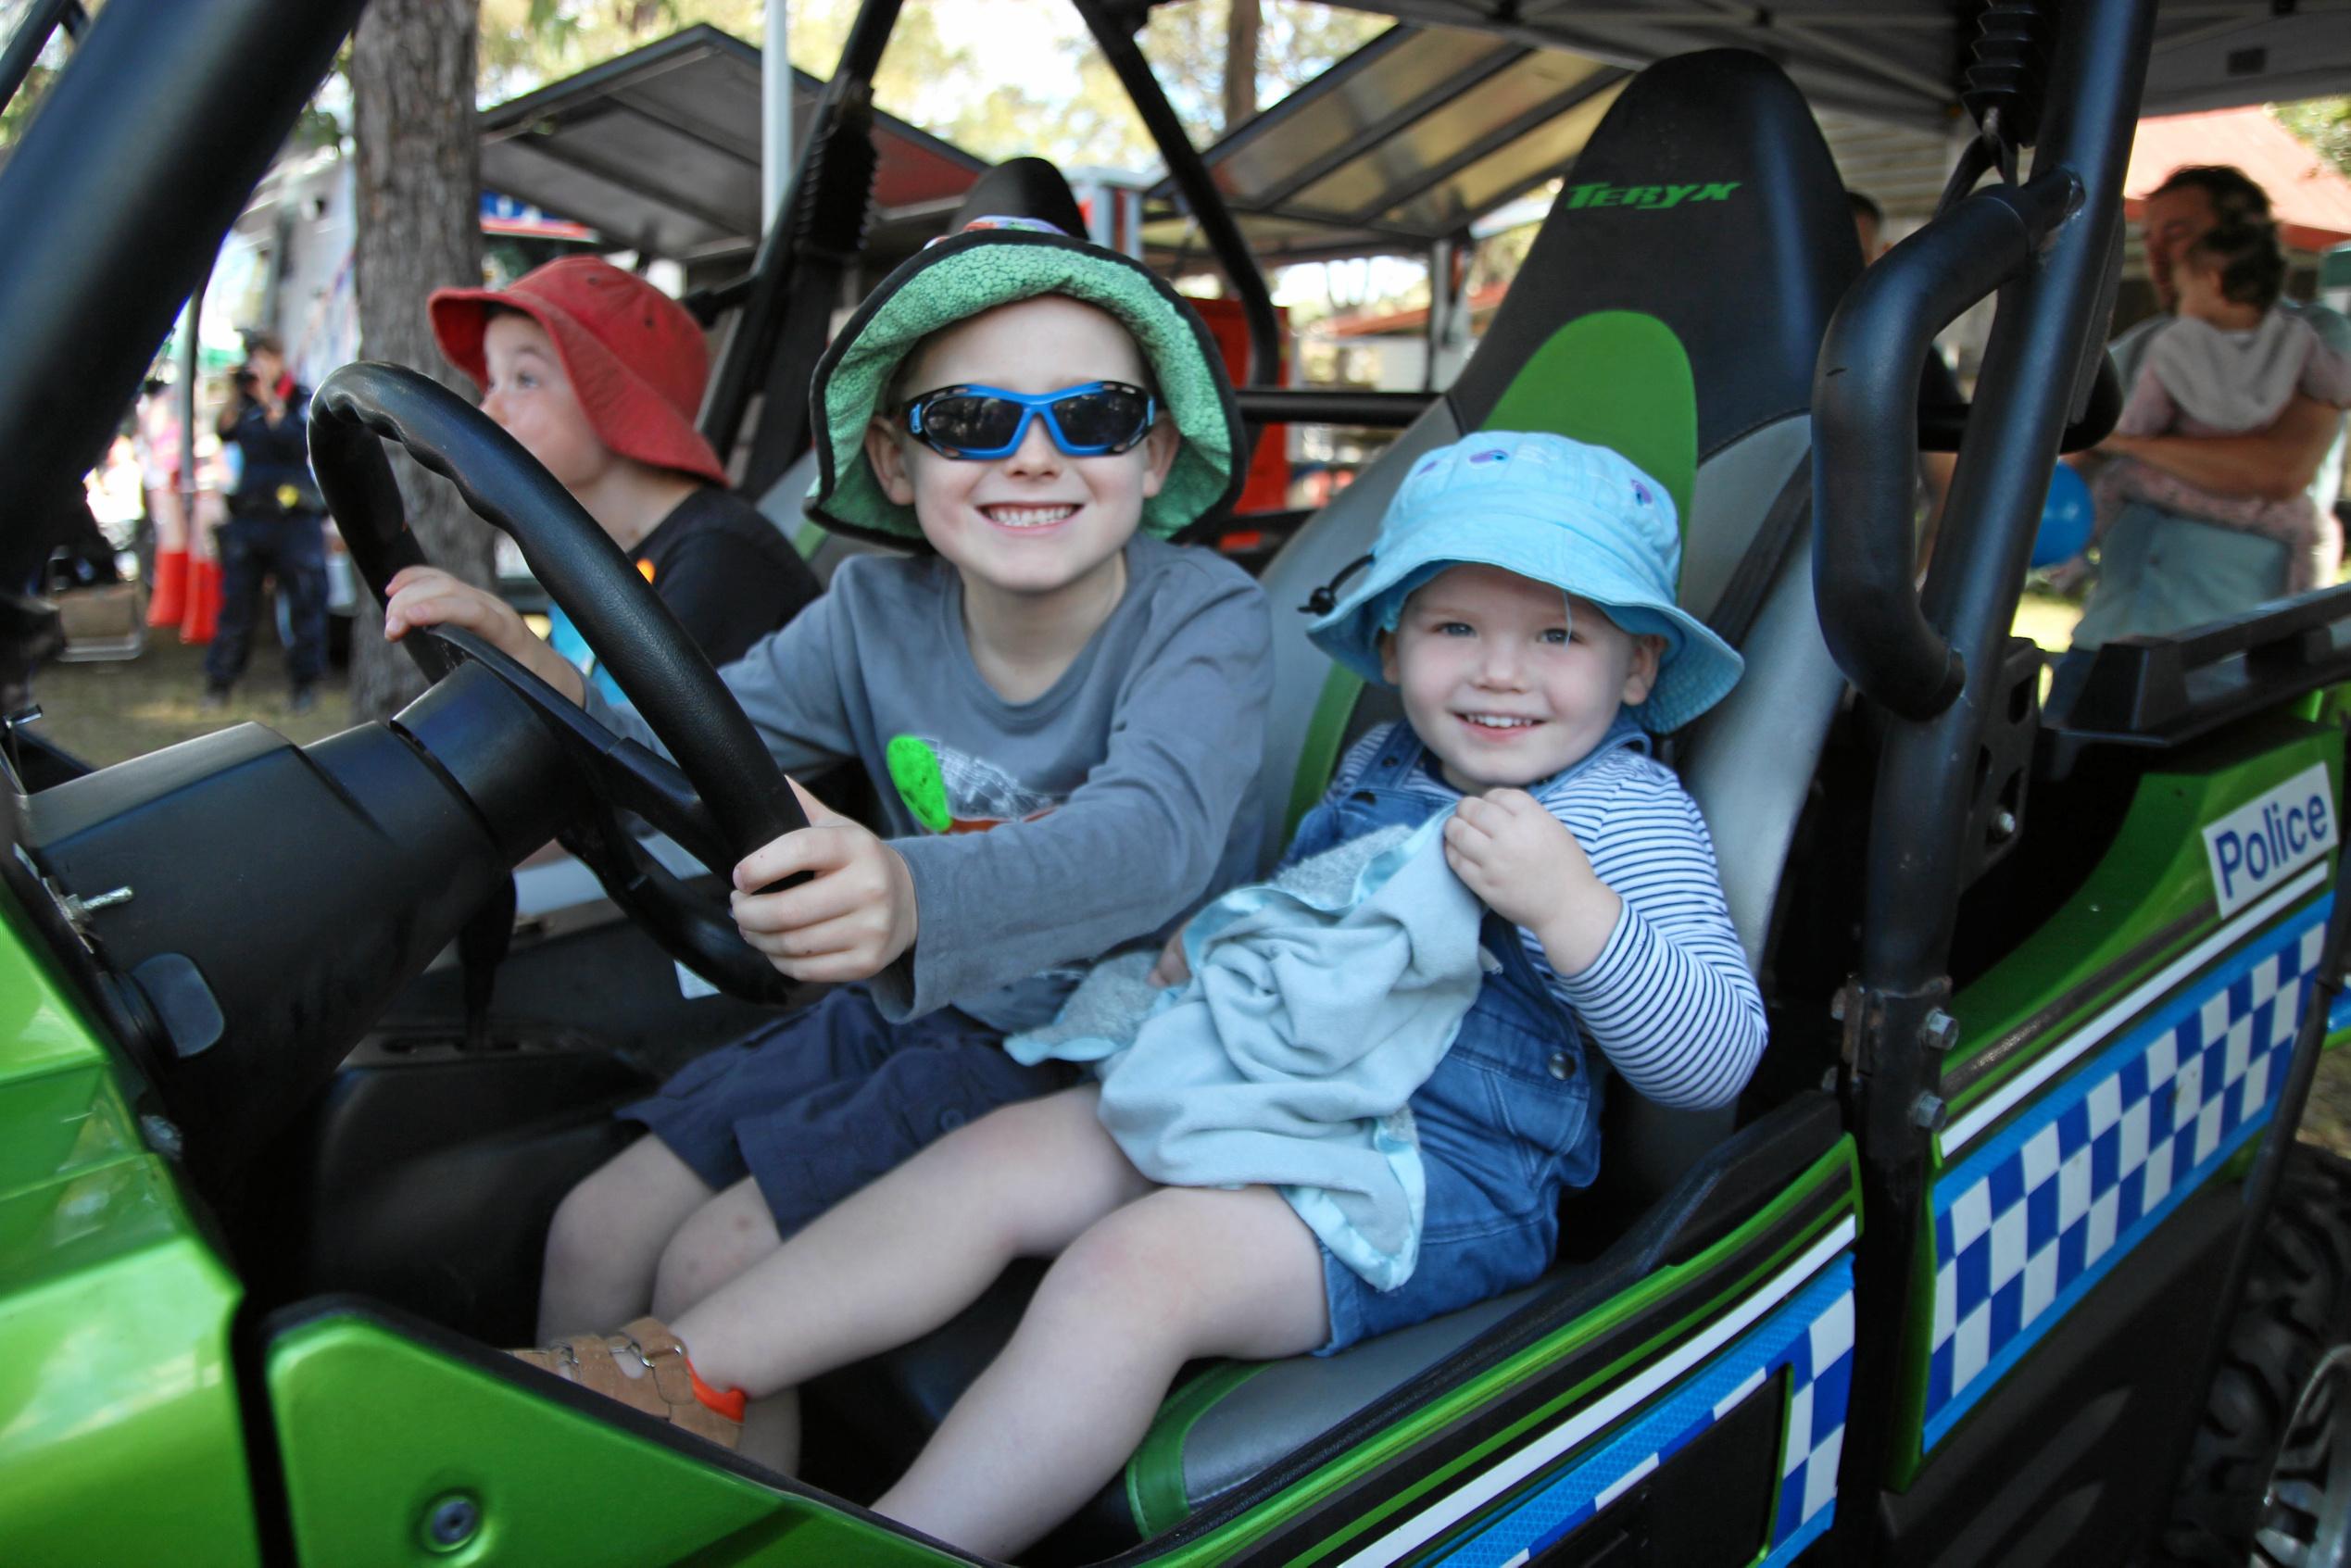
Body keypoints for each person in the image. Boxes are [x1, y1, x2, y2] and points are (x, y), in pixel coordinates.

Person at [491, 432, 1767, 1561]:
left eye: (1557, 635)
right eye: (1454, 630)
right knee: (999, 1155)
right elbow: (1307, 905)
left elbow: (1711, 1057)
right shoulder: (1391, 760)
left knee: (1129, 1270)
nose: (1499, 674)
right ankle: (678, 1367)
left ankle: (904, 1541)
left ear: (1637, 669)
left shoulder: (1620, 816)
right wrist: (1208, 940)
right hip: (1274, 1083)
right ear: (1393, 645)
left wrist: (1574, 914)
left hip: (1432, 1179)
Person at [380, 213, 1269, 1440]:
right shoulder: (868, 612)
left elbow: (1151, 838)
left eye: (1092, 416)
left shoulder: (1204, 619)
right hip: (917, 1011)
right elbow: (697, 739)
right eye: (970, 420)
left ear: (1155, 453)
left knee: (711, 1271)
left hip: (1098, 1041)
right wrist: (531, 664)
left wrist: (911, 895)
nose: (1032, 456)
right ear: (897, 464)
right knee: (594, 1225)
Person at [427, 257, 822, 694]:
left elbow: (647, 753)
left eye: (525, 379)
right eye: (491, 384)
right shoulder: (586, 554)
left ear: (618, 401)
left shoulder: (719, 560)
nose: (489, 412)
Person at [2058, 166, 2351, 684]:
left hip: (2231, 657)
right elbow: (2074, 466)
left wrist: (2126, 444)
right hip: (2104, 645)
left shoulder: (2316, 334)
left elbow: (2276, 472)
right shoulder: (2139, 347)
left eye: (2177, 234)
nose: (2159, 256)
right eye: (2150, 239)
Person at [2085, 220, 2351, 596]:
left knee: (2116, 480)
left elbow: (2140, 419)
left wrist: (2123, 442)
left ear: (2209, 283)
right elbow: (2337, 385)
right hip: (2261, 502)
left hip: (2190, 484)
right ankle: (2297, 620)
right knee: (2319, 532)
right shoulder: (2299, 339)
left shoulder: (2174, 347)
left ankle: (2071, 566)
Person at [205, 330, 326, 711]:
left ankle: (304, 685)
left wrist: (269, 399)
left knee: (305, 602)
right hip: (250, 519)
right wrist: (236, 394)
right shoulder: (243, 403)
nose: (257, 366)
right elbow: (224, 431)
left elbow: (297, 441)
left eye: (262, 357)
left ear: (278, 359)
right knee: (236, 605)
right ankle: (220, 683)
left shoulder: (300, 398)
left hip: (294, 520)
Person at [1851, 189, 1962, 560]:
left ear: (1880, 257)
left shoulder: (1912, 358)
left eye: (1856, 255)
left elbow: (1950, 487)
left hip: (1866, 571)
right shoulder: (1765, 347)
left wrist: (1918, 587)